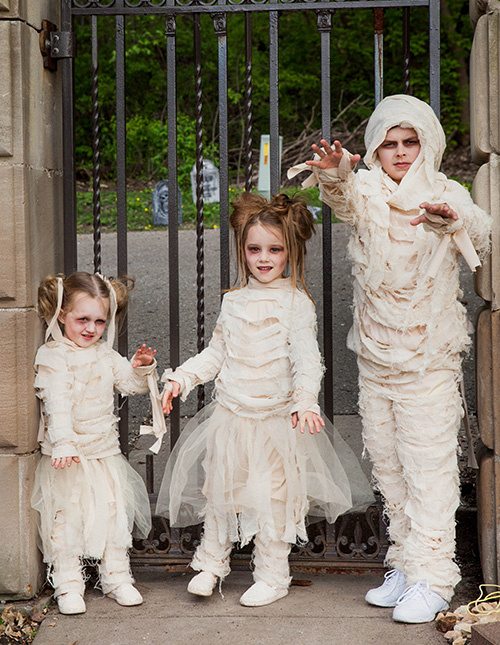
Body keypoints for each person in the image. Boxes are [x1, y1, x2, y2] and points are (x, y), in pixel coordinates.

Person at [287, 94, 492, 623]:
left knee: (429, 469)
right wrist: (335, 175)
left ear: (428, 144)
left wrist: (449, 223)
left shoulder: (447, 193)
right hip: (376, 360)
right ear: (376, 148)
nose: (400, 152)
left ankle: (435, 576)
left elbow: (477, 232)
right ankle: (405, 562)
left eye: (410, 141)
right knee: (390, 466)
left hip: (429, 360)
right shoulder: (367, 192)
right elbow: (343, 197)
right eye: (389, 143)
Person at [155, 192, 373, 607]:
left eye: (275, 249)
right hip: (232, 416)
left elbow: (308, 359)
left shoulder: (296, 303)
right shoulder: (232, 301)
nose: (264, 258)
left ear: (290, 252)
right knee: (221, 490)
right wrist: (182, 377)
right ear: (243, 251)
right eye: (254, 249)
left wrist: (306, 400)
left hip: (276, 420)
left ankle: (273, 574)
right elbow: (217, 352)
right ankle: (211, 564)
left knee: (274, 498)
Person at [31, 272, 166, 615]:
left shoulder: (106, 356)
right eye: (82, 319)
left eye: (99, 321)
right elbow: (56, 402)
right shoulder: (53, 356)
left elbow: (130, 384)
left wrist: (141, 368)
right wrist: (63, 443)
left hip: (103, 453)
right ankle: (67, 583)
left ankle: (117, 576)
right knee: (66, 519)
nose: (91, 329)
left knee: (112, 514)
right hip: (68, 457)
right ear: (61, 314)